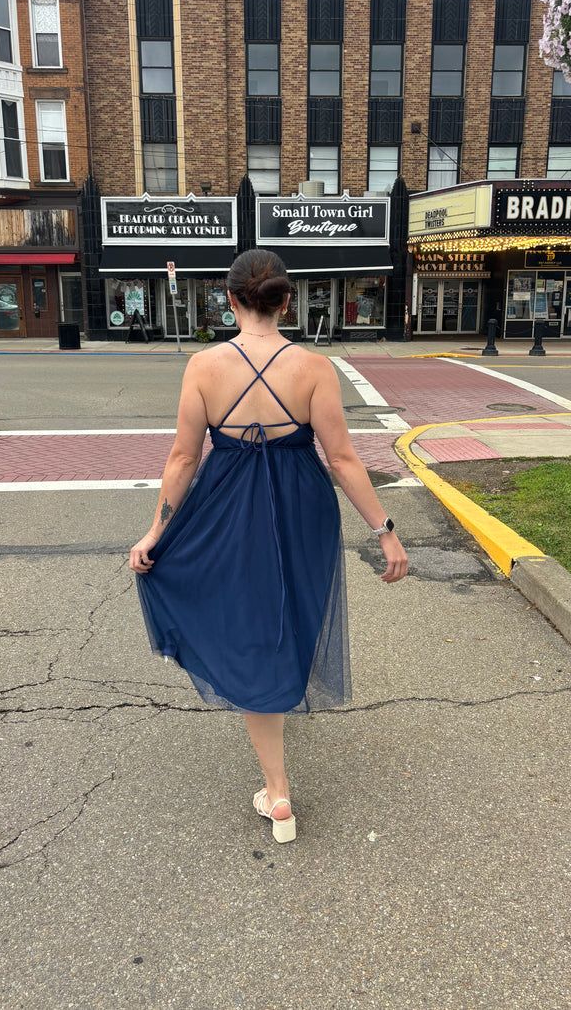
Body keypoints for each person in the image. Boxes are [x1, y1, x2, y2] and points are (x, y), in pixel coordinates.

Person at [129, 249, 408, 843]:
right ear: (286, 302)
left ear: (229, 300)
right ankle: (279, 706)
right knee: (293, 608)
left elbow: (183, 458)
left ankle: (277, 792)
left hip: (229, 505)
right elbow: (342, 459)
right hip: (303, 504)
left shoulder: (203, 366)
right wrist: (385, 532)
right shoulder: (314, 368)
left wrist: (156, 531)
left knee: (251, 621)